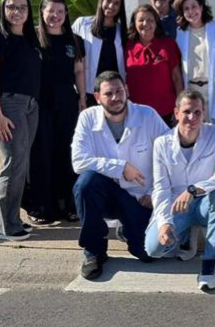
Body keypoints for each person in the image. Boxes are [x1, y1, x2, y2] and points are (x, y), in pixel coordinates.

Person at [71, 71, 169, 280]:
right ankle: (94, 251)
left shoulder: (148, 115)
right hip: (105, 195)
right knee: (86, 183)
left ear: (127, 90)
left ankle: (127, 231)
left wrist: (155, 193)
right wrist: (120, 166)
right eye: (108, 94)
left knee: (148, 253)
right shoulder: (87, 118)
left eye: (119, 91)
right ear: (97, 97)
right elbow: (78, 161)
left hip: (139, 198)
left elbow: (170, 157)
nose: (116, 98)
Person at [144, 90, 215, 290]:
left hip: (205, 202)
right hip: (176, 205)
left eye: (197, 112)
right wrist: (165, 223)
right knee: (154, 250)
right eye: (186, 112)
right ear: (176, 113)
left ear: (204, 113)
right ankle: (186, 235)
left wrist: (194, 190)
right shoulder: (161, 143)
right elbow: (160, 188)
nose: (192, 118)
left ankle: (210, 263)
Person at [0, 0, 42, 241]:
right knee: (14, 161)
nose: (17, 12)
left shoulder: (30, 40)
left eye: (23, 7)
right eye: (12, 7)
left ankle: (3, 218)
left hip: (30, 105)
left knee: (19, 163)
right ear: (3, 10)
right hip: (5, 104)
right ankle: (5, 227)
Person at [22, 0, 86, 224]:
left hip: (67, 101)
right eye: (51, 11)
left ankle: (69, 205)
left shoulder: (75, 40)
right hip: (39, 102)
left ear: (66, 14)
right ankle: (41, 207)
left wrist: (82, 98)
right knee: (41, 154)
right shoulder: (33, 37)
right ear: (42, 12)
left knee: (67, 152)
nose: (55, 16)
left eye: (60, 11)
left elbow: (79, 71)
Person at [124, 4, 184, 126]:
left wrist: (180, 107)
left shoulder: (168, 45)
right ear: (134, 24)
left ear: (156, 23)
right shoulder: (126, 47)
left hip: (165, 112)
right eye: (141, 20)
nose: (145, 24)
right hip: (136, 113)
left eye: (150, 20)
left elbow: (177, 78)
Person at [173, 0, 215, 124]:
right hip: (192, 90)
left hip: (212, 90)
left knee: (214, 132)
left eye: (194, 6)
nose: (191, 11)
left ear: (201, 7)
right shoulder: (180, 33)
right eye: (186, 9)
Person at [72, 0, 127, 107]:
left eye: (116, 3)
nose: (111, 6)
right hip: (88, 91)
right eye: (108, 1)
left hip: (113, 92)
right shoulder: (83, 24)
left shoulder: (121, 31)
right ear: (101, 0)